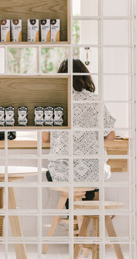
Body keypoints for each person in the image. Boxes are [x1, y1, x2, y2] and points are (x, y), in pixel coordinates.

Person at [41, 58, 115, 206]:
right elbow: (110, 136)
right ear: (85, 77)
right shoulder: (95, 101)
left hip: (61, 173)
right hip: (93, 172)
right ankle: (82, 214)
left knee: (68, 182)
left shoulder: (53, 100)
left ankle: (74, 216)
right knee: (90, 178)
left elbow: (45, 138)